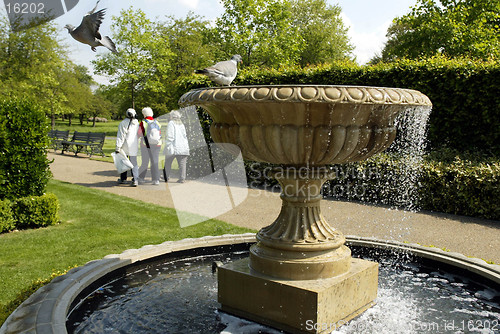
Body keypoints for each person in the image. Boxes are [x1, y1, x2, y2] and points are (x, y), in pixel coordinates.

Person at [164, 110, 190, 183]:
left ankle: (166, 176)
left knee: (168, 162)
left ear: (172, 116)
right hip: (183, 146)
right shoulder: (181, 124)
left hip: (174, 147)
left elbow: (170, 136)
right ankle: (182, 178)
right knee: (182, 164)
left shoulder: (171, 123)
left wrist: (168, 145)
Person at [115, 108, 139, 187]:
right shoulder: (137, 123)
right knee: (134, 163)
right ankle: (135, 179)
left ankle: (123, 179)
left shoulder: (123, 123)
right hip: (134, 146)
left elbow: (121, 136)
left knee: (123, 163)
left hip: (125, 146)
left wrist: (118, 147)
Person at [138, 107, 162, 185]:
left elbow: (139, 133)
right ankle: (156, 179)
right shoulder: (157, 122)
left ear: (144, 114)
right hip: (157, 144)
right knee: (155, 162)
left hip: (146, 145)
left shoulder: (143, 122)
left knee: (145, 162)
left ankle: (141, 178)